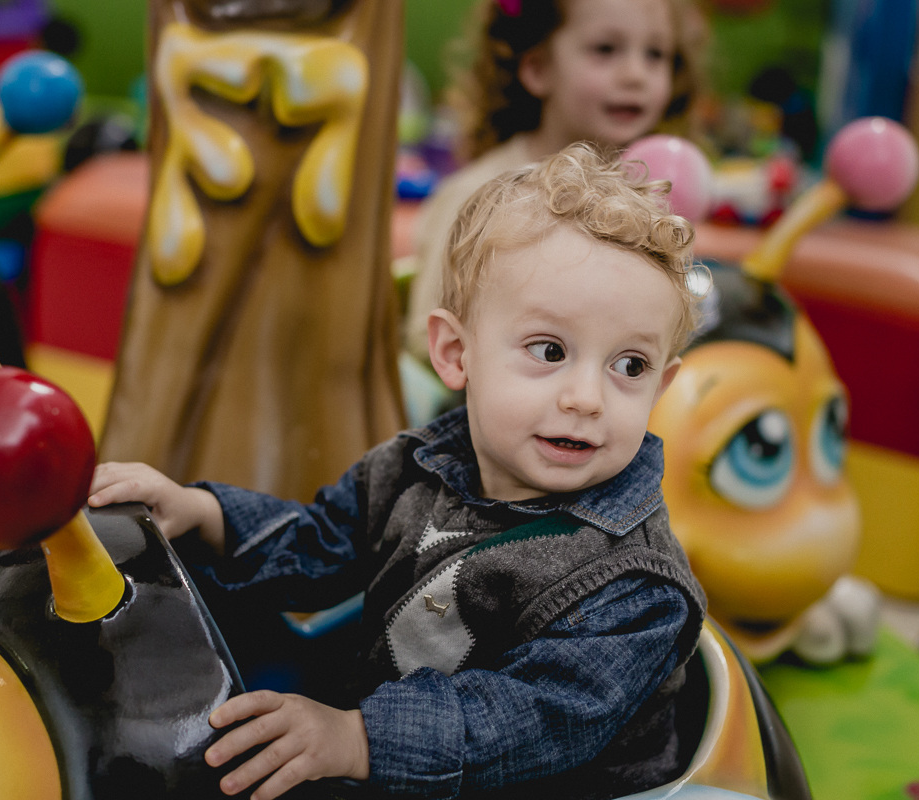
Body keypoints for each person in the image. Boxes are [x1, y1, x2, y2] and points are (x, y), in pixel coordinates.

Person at [88, 145, 707, 800]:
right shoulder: (418, 469)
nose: (587, 397)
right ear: (454, 353)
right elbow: (321, 540)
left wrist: (358, 738)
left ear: (661, 385)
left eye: (629, 366)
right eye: (549, 350)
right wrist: (204, 515)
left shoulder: (635, 587)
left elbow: (529, 719)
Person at [404, 0, 704, 365]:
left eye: (656, 54)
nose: (636, 74)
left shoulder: (646, 193)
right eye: (605, 49)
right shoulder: (480, 193)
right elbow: (427, 335)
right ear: (538, 68)